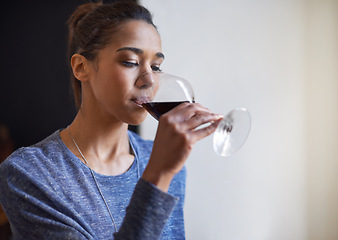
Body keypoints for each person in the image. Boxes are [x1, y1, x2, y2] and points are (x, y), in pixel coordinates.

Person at [0, 1, 221, 239]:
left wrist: (163, 169)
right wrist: (158, 175)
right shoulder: (29, 174)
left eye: (156, 66)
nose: (148, 80)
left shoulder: (164, 160)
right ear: (81, 67)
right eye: (130, 62)